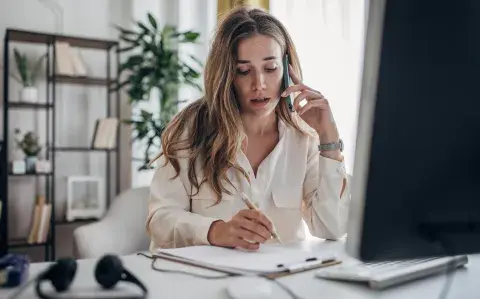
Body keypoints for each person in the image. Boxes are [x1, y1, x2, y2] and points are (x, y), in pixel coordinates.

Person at [146, 6, 351, 252]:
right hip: (207, 282)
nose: (259, 84)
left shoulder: (303, 138)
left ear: (287, 69)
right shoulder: (189, 129)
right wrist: (215, 231)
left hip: (281, 281)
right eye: (243, 71)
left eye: (270, 68)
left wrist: (329, 140)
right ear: (226, 75)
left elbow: (333, 227)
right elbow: (160, 219)